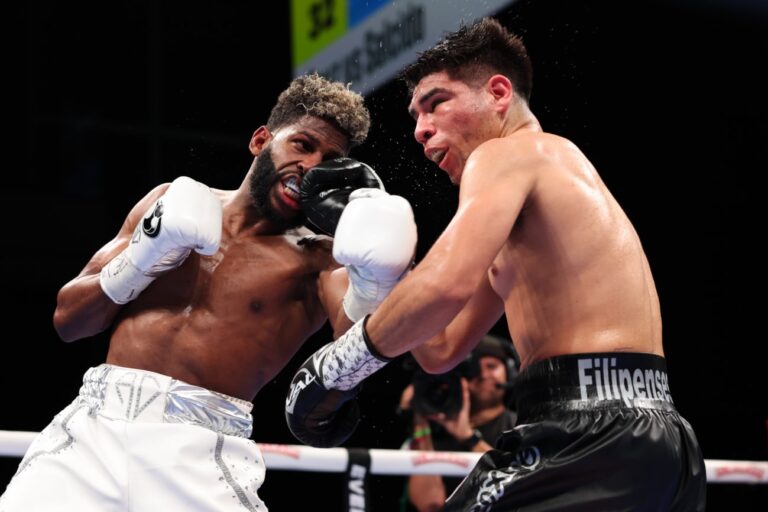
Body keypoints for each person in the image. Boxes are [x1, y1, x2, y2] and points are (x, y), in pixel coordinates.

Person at [285, 17, 706, 511]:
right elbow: (441, 348)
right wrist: (389, 266)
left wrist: (338, 365)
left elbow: (443, 286)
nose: (421, 129)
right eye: (416, 115)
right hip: (660, 442)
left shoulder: (507, 154)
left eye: (436, 103)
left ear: (499, 93)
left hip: (589, 433)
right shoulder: (541, 186)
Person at [0, 73, 417, 511]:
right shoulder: (168, 201)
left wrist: (376, 277)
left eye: (330, 160)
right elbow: (68, 322)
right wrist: (141, 259)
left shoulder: (320, 260)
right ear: (260, 140)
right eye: (303, 144)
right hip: (91, 433)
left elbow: (363, 342)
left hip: (199, 453)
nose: (312, 166)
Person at [401, 335, 518, 512]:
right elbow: (429, 504)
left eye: (491, 366)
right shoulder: (433, 431)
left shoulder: (520, 424)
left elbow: (518, 486)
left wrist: (469, 437)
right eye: (474, 369)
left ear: (510, 371)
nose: (483, 375)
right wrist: (420, 422)